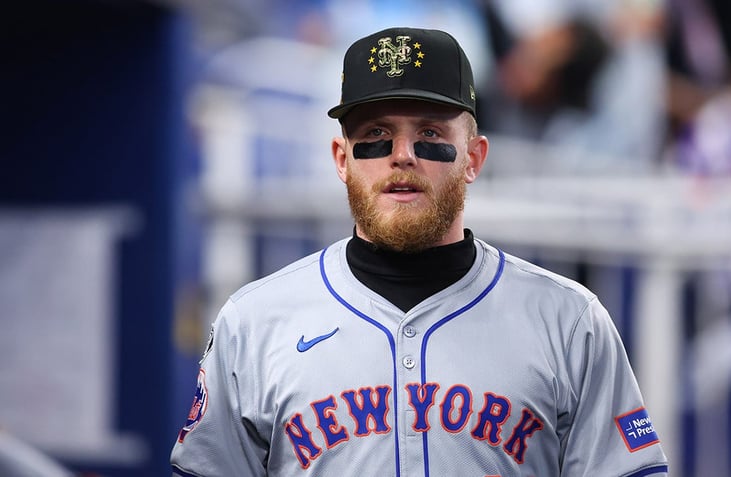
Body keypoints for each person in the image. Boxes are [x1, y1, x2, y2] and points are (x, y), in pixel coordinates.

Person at [170, 26, 669, 476]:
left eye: (430, 134)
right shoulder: (255, 322)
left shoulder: (569, 320)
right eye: (375, 136)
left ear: (473, 158)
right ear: (341, 160)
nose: (402, 155)